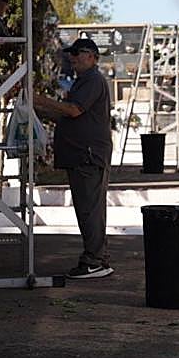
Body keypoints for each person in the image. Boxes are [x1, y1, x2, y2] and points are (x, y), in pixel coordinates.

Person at [32, 37, 113, 279]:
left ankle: (94, 260)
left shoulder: (92, 80)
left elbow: (74, 110)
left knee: (89, 209)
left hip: (88, 155)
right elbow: (68, 116)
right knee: (88, 208)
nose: (73, 57)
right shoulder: (82, 82)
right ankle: (97, 256)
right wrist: (40, 110)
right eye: (72, 53)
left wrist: (38, 99)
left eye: (78, 53)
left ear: (93, 57)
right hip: (81, 155)